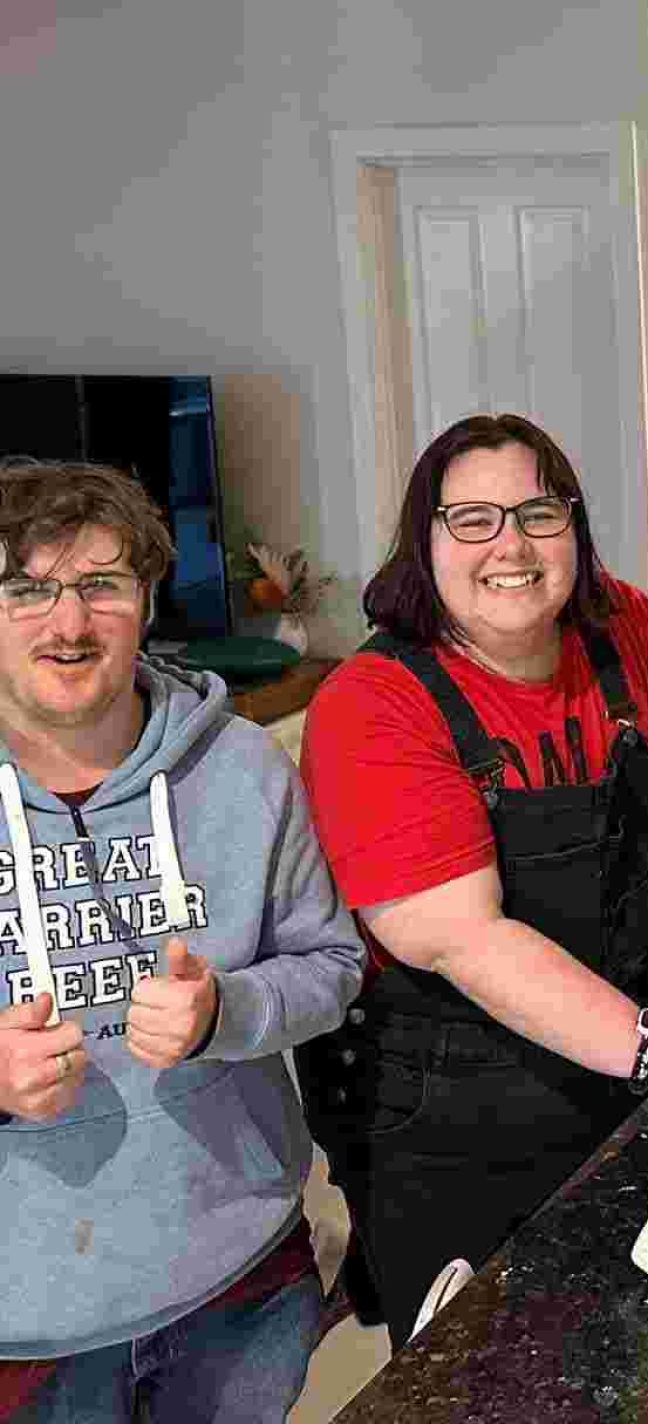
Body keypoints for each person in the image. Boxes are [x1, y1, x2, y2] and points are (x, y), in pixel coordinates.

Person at [297, 414, 648, 1339]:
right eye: (472, 519)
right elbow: (458, 936)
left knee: (645, 1349)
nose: (511, 546)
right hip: (449, 1113)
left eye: (538, 513)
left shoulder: (626, 627)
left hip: (627, 1072)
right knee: (488, 1374)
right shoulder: (371, 704)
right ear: (424, 542)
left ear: (575, 524)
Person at [0, 459, 364, 1422]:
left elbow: (332, 966)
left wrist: (225, 1013)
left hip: (239, 1285)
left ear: (148, 599)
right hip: (25, 1328)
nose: (68, 623)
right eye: (27, 589)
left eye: (102, 584)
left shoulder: (241, 767)